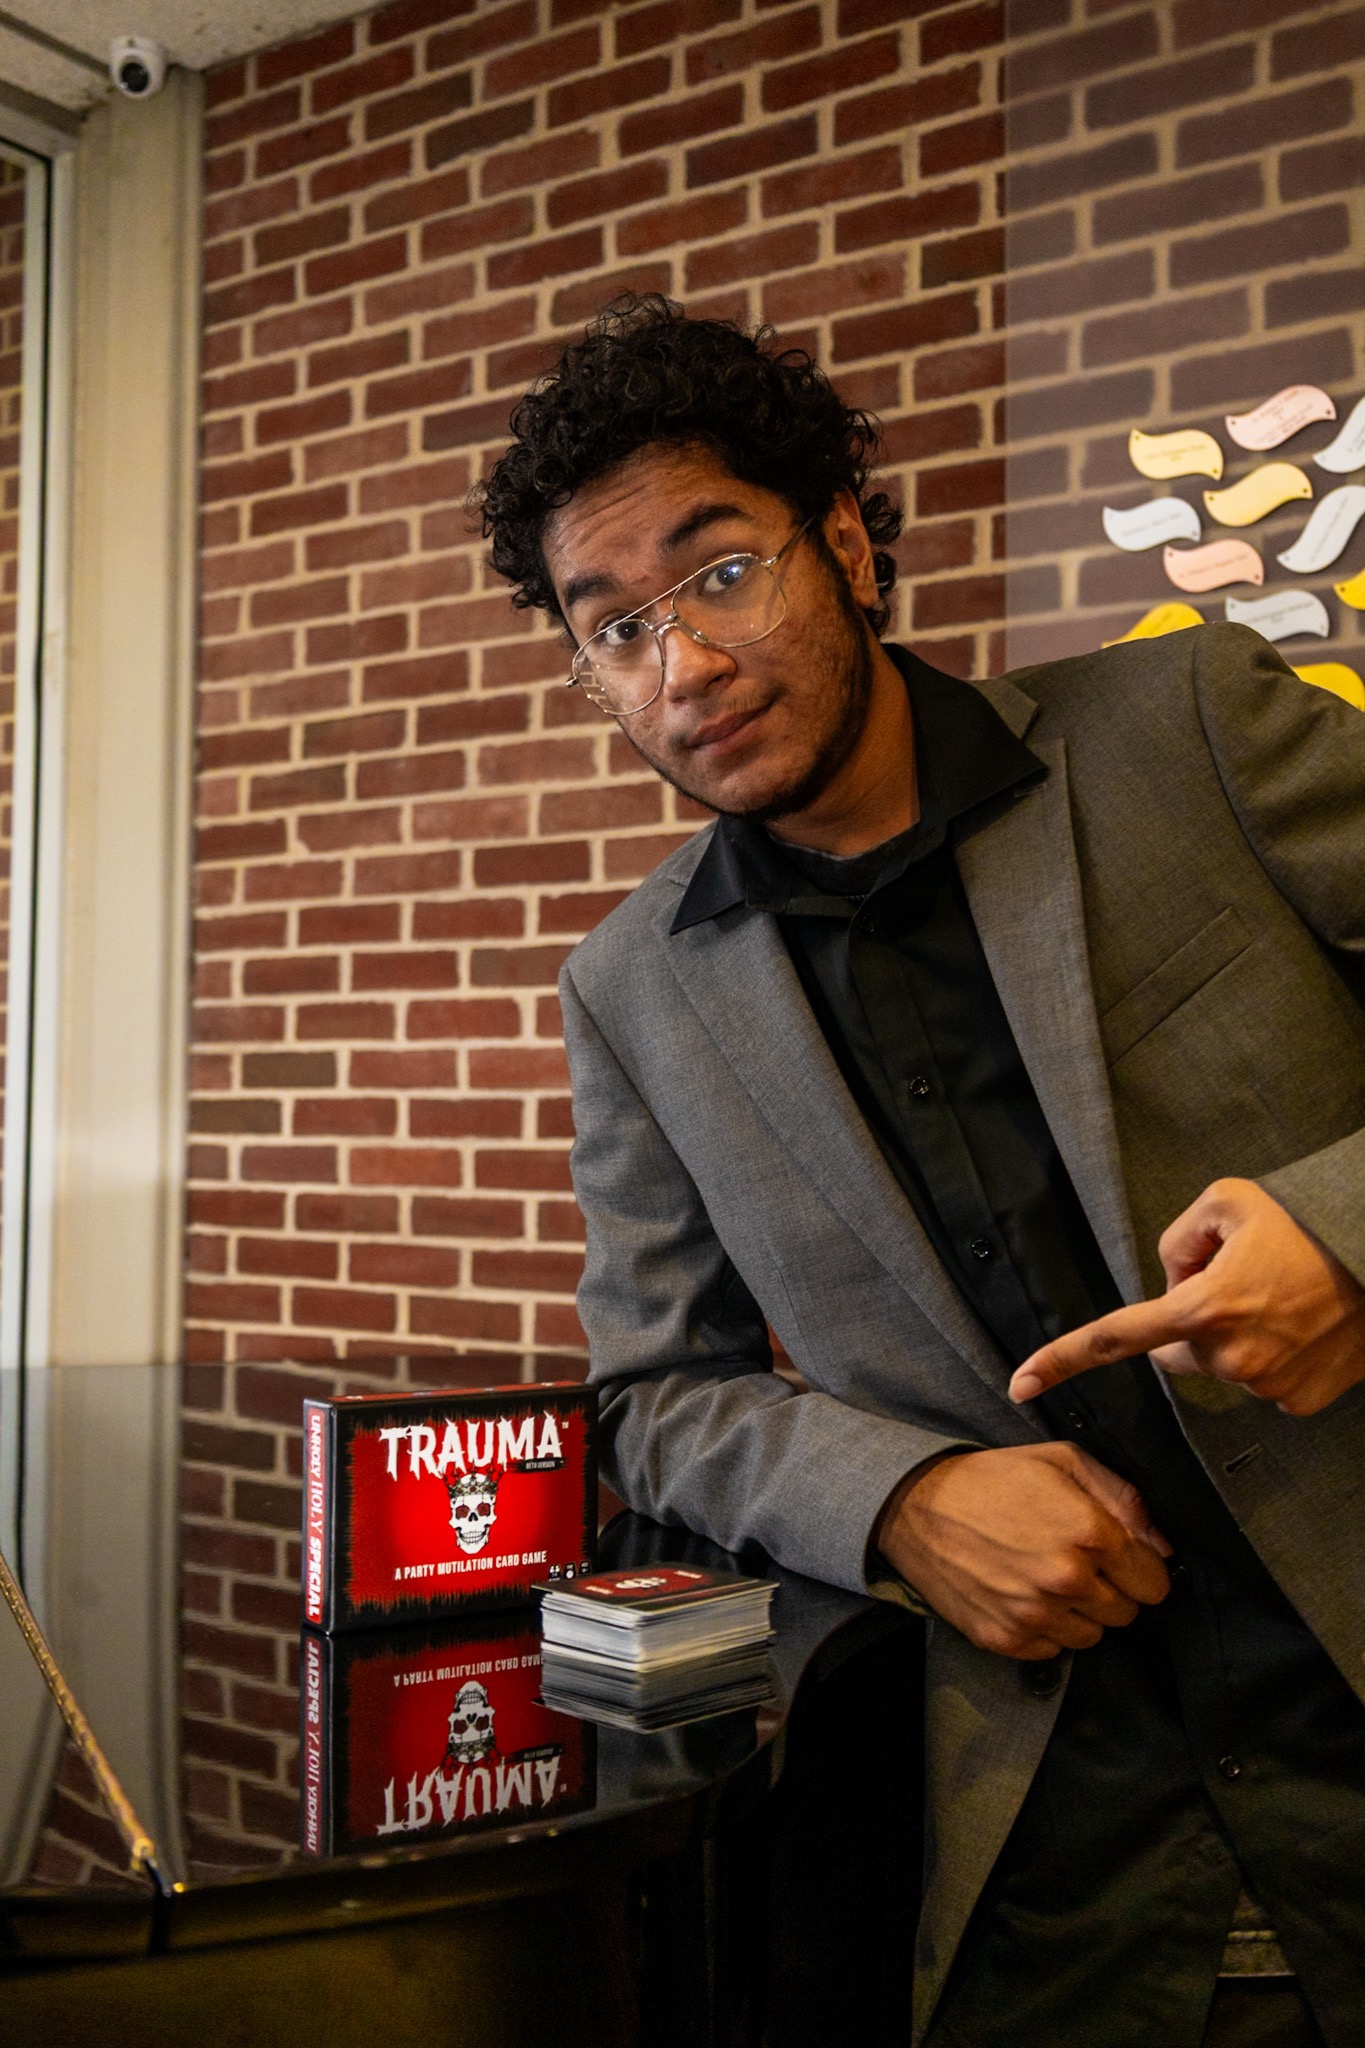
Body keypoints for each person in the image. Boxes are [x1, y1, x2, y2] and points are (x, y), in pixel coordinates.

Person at [475, 296, 1365, 2048]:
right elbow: (655, 1396)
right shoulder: (631, 989)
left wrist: (1346, 1236)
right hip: (1052, 1860)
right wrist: (897, 1499)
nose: (684, 668)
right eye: (617, 630)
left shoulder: (1190, 724)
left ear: (848, 541)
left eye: (721, 572)